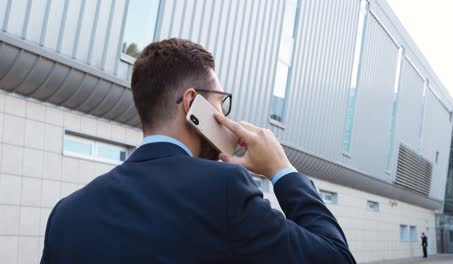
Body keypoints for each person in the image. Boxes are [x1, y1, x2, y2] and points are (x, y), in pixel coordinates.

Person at [40, 38, 356, 263]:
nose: (225, 116)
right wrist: (282, 170)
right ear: (193, 105)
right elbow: (336, 257)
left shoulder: (66, 214)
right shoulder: (224, 188)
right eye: (220, 103)